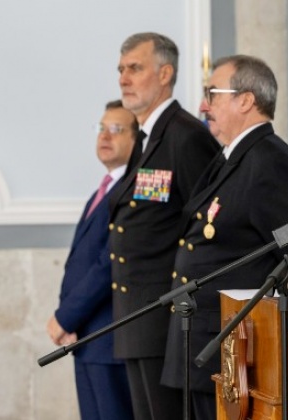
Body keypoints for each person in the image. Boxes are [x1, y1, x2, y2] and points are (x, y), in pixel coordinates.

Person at [160, 54, 288, 419]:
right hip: (206, 344)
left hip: (232, 349)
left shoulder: (269, 161)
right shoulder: (234, 156)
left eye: (212, 94)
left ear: (245, 100)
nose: (203, 105)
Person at [109, 32, 220, 420]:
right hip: (136, 316)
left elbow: (204, 227)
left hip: (164, 319)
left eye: (135, 68)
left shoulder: (185, 136)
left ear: (164, 73)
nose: (124, 78)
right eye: (121, 69)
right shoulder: (148, 137)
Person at [47, 100, 136, 420]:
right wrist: (71, 323)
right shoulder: (103, 189)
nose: (105, 136)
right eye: (101, 128)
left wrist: (66, 317)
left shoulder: (133, 189)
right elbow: (79, 262)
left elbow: (108, 263)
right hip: (86, 338)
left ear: (137, 140)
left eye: (116, 129)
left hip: (108, 338)